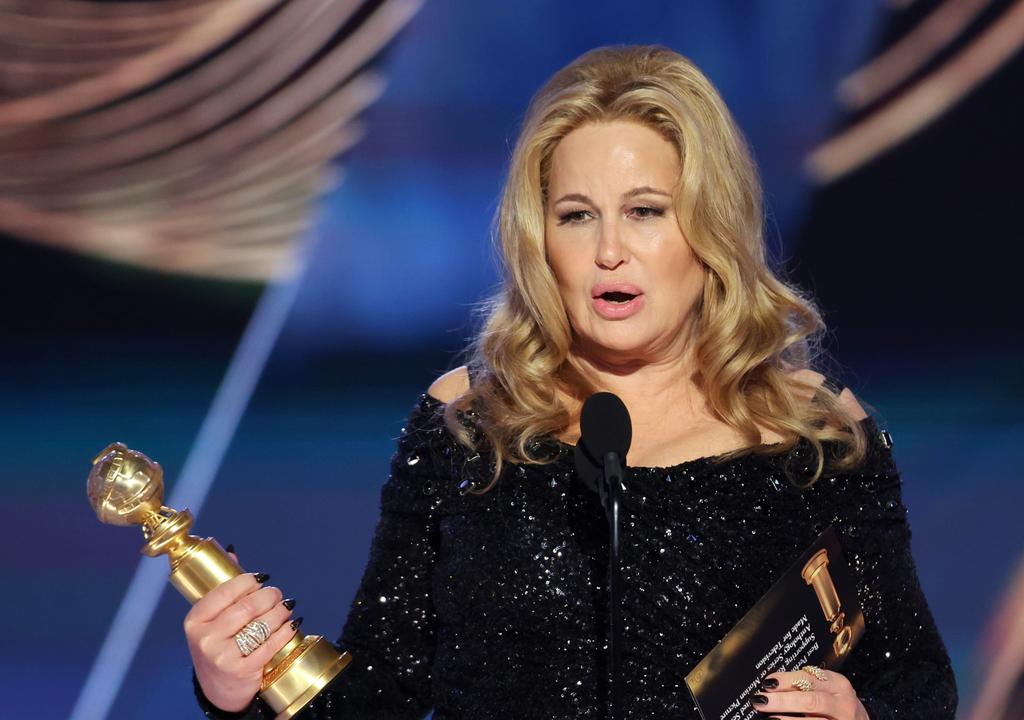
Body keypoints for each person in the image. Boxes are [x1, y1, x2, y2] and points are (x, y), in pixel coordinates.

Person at [187, 45, 957, 719]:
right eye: (577, 215)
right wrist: (239, 688)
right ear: (540, 237)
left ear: (710, 228)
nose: (610, 250)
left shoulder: (817, 441)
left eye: (647, 211)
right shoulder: (470, 428)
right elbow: (376, 694)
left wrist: (857, 715)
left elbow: (918, 688)